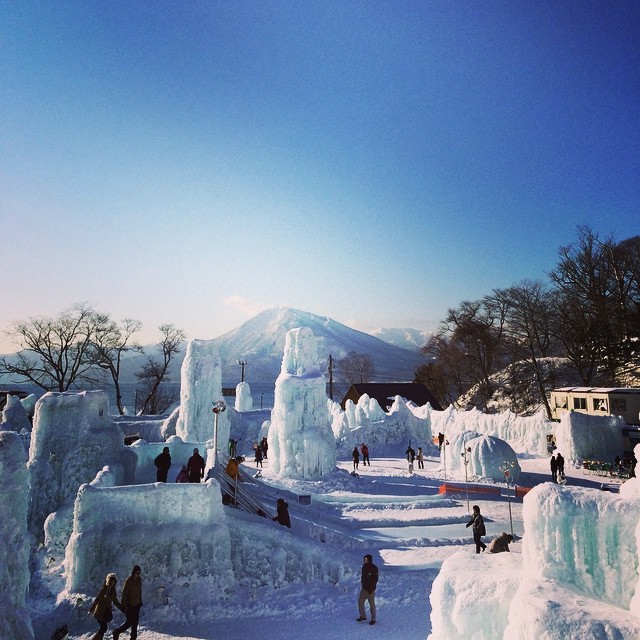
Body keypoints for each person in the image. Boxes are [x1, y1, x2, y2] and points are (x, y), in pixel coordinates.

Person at [89, 572, 123, 640]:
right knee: (103, 628)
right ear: (108, 581)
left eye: (114, 581)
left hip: (106, 613)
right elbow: (97, 599)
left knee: (103, 628)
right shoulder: (104, 590)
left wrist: (122, 608)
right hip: (100, 612)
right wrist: (92, 609)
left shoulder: (112, 591)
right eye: (111, 580)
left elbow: (115, 601)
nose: (112, 582)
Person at [113, 565, 143, 640]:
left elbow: (139, 592)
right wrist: (123, 605)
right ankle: (116, 631)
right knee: (129, 622)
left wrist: (140, 602)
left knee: (135, 624)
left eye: (139, 573)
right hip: (130, 606)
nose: (138, 574)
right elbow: (125, 593)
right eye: (137, 573)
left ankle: (133, 638)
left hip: (137, 605)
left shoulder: (139, 580)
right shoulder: (129, 581)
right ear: (133, 572)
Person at [356, 553, 379, 625]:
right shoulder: (364, 566)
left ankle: (373, 619)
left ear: (370, 560)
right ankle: (363, 616)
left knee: (372, 604)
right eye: (364, 559)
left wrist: (371, 588)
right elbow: (363, 576)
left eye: (366, 559)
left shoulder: (374, 568)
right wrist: (362, 583)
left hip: (370, 590)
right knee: (360, 602)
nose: (365, 561)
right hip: (364, 589)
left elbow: (375, 579)